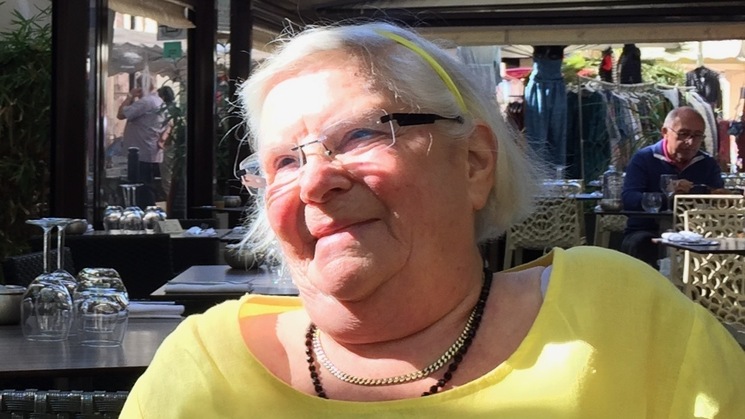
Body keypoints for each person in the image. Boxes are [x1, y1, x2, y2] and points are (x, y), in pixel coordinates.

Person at [121, 23, 745, 418]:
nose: (313, 181)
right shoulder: (204, 364)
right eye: (285, 161)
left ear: (474, 162)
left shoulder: (618, 318)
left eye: (360, 134)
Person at [621, 106, 727, 267]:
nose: (690, 142)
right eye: (683, 134)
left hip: (697, 234)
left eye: (697, 135)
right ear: (665, 132)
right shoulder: (644, 159)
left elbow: (718, 205)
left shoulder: (707, 164)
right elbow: (629, 199)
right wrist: (667, 196)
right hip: (648, 230)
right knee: (641, 244)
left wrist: (720, 198)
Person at [117, 74, 165, 207]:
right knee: (147, 186)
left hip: (140, 151)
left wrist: (130, 96)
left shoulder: (145, 102)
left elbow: (120, 114)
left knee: (141, 187)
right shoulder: (158, 101)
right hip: (149, 150)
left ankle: (144, 212)